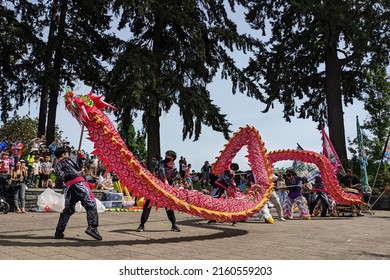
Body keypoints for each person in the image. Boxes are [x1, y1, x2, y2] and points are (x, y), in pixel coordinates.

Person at [53, 147, 102, 240]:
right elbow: (79, 167)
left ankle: (59, 231)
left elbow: (59, 181)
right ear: (63, 155)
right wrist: (81, 156)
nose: (68, 155)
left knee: (67, 210)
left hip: (68, 187)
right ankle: (92, 227)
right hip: (79, 184)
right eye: (67, 153)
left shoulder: (57, 166)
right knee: (90, 204)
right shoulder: (66, 160)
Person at [136, 150, 181, 232]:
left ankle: (174, 224)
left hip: (165, 189)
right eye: (166, 155)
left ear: (172, 158)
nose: (166, 156)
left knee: (169, 206)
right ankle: (141, 225)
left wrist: (170, 187)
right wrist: (165, 180)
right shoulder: (161, 163)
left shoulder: (174, 168)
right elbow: (161, 170)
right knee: (148, 205)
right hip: (155, 187)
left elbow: (173, 179)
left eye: (168, 155)